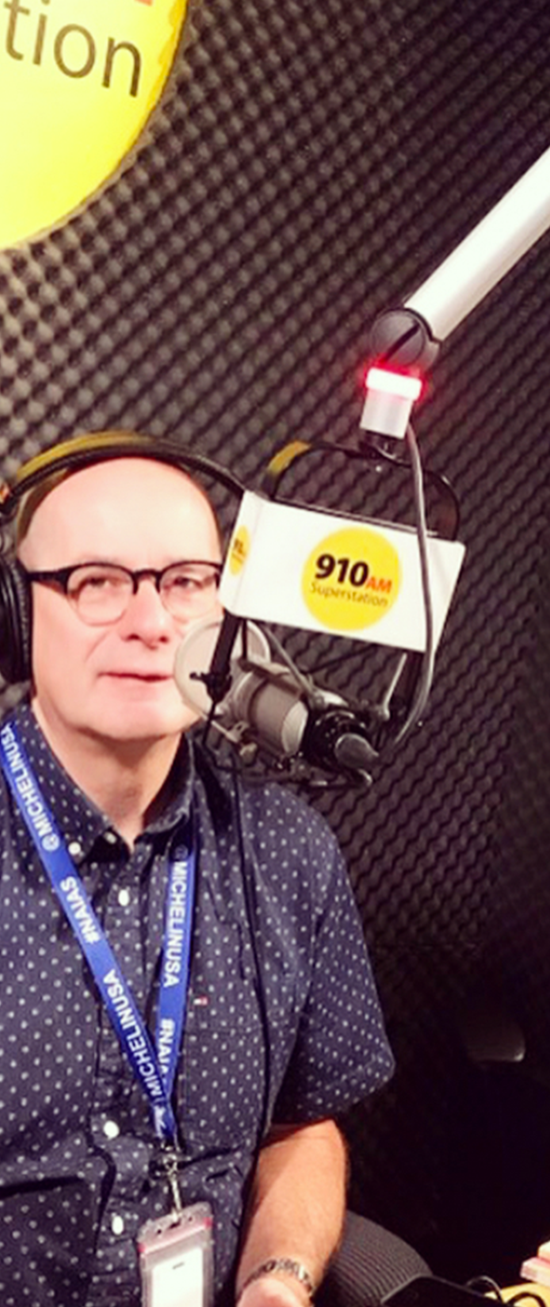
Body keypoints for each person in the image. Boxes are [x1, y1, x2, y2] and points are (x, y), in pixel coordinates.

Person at [0, 438, 395, 1305]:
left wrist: (279, 1280)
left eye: (185, 582)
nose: (150, 624)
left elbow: (303, 1129)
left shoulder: (288, 854)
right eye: (96, 581)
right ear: (14, 615)